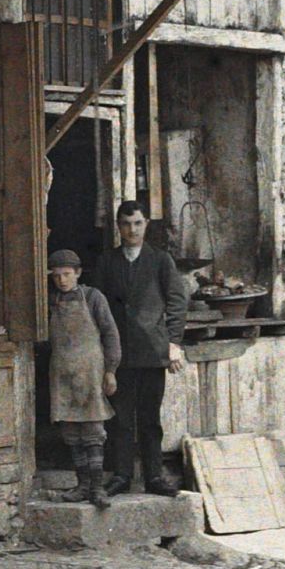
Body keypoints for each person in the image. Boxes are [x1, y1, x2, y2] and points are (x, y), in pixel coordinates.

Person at [89, 200, 188, 496]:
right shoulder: (107, 262)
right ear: (118, 227)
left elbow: (176, 302)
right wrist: (104, 352)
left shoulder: (160, 260)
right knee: (120, 418)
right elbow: (97, 306)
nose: (131, 230)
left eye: (137, 223)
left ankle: (154, 477)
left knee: (149, 418)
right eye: (126, 224)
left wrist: (173, 344)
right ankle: (121, 476)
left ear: (146, 225)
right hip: (118, 354)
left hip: (151, 352)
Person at [46, 250, 122, 510]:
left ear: (77, 273)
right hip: (62, 373)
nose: (62, 280)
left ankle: (97, 487)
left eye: (66, 274)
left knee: (92, 432)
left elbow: (111, 334)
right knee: (71, 432)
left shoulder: (93, 298)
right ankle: (82, 486)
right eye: (56, 276)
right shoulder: (51, 300)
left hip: (91, 372)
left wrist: (110, 370)